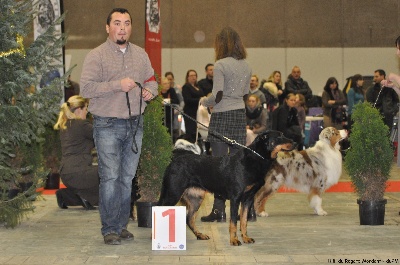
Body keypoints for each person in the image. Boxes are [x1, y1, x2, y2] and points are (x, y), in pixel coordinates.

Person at [80, 8, 158, 245]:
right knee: (111, 177)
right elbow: (86, 89)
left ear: (130, 28)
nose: (122, 28)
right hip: (107, 124)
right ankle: (109, 228)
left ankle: (122, 224)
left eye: (126, 23)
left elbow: (152, 82)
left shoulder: (141, 55)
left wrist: (149, 92)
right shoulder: (96, 55)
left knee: (126, 178)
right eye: (117, 23)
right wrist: (116, 85)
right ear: (108, 28)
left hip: (135, 124)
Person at [199, 26, 252, 222]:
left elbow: (218, 95)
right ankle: (247, 210)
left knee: (219, 165)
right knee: (239, 165)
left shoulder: (220, 64)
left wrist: (205, 101)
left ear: (221, 44)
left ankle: (218, 211)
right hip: (239, 114)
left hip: (221, 116)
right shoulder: (246, 65)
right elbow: (246, 93)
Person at [53, 96, 99, 211]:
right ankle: (83, 197)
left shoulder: (65, 125)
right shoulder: (82, 125)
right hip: (79, 173)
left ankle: (66, 196)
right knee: (111, 174)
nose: (87, 112)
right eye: (85, 109)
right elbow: (101, 136)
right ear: (78, 109)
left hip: (66, 174)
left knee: (96, 190)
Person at [182, 69, 204, 142]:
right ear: (187, 77)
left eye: (194, 75)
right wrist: (200, 99)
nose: (193, 77)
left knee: (197, 132)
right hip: (190, 112)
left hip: (198, 112)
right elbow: (187, 100)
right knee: (191, 131)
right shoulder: (186, 87)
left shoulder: (198, 87)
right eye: (191, 75)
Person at [165, 71, 184, 139]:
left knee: (177, 127)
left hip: (177, 111)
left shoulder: (177, 88)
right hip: (169, 111)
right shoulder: (165, 89)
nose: (170, 81)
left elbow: (181, 100)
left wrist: (179, 109)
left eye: (171, 79)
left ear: (173, 79)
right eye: (168, 79)